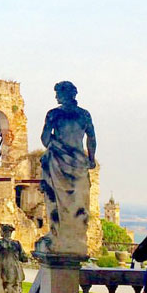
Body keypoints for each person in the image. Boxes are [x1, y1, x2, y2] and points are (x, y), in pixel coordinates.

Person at [39, 81, 96, 255]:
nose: (55, 97)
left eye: (57, 93)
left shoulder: (54, 114)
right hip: (78, 161)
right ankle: (76, 238)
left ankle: (58, 235)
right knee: (78, 200)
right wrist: (91, 159)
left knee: (56, 198)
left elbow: (45, 138)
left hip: (58, 160)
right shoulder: (84, 115)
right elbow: (91, 139)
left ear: (64, 94)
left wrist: (55, 145)